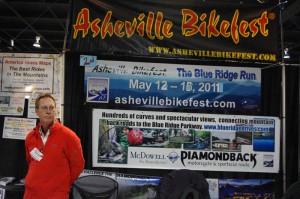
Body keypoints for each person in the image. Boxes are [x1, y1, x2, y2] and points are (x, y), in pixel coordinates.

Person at [24, 93, 85, 199]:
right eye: (44, 108)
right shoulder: (30, 137)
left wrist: (61, 184)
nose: (48, 111)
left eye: (51, 108)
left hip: (56, 195)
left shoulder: (69, 136)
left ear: (56, 110)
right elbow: (30, 161)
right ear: (36, 111)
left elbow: (78, 165)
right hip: (31, 194)